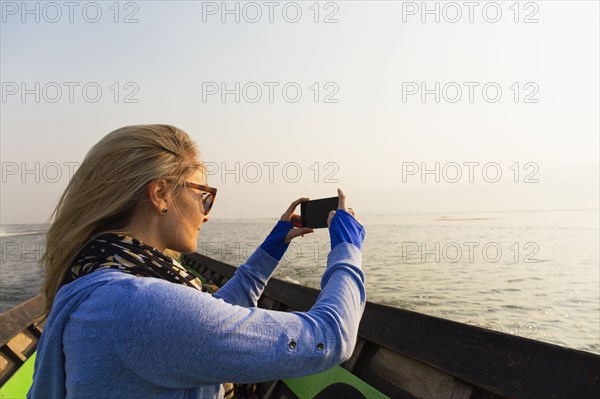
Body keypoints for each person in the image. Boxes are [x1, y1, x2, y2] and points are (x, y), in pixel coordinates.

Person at [27, 124, 366, 399]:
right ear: (160, 194)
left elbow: (211, 314)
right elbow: (329, 338)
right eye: (204, 195)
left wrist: (271, 249)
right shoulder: (138, 306)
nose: (205, 214)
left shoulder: (98, 282)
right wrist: (347, 249)